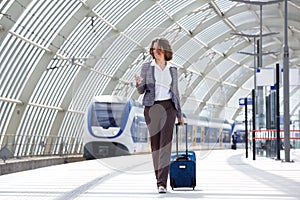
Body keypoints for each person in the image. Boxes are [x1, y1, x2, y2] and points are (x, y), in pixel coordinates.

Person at [135, 37, 183, 193]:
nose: (155, 52)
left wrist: (179, 114)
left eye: (158, 49)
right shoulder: (147, 67)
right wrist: (138, 83)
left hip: (169, 107)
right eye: (153, 49)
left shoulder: (173, 69)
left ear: (165, 50)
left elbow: (176, 92)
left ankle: (162, 183)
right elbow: (141, 91)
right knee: (155, 146)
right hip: (152, 108)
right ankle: (159, 179)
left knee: (165, 145)